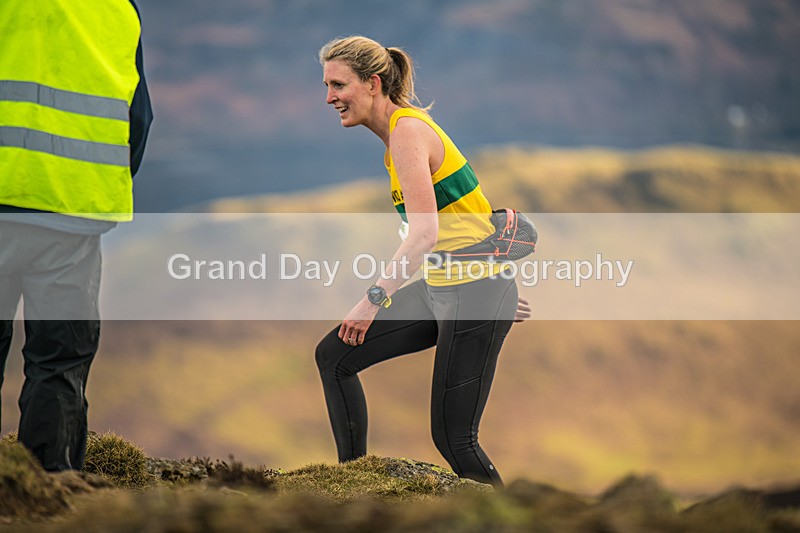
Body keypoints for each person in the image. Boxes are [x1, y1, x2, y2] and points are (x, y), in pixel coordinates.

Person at [315, 35, 530, 486]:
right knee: (334, 356)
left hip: (473, 293)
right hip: (453, 288)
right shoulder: (398, 138)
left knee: (455, 439)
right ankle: (351, 485)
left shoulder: (408, 133)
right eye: (327, 85)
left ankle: (509, 516)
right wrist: (497, 287)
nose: (329, 97)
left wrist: (371, 301)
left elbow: (424, 235)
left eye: (338, 85)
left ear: (373, 83)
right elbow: (467, 218)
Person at [0, 0, 153, 471]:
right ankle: (51, 488)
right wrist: (94, 188)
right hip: (71, 213)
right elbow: (139, 117)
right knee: (60, 363)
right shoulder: (118, 9)